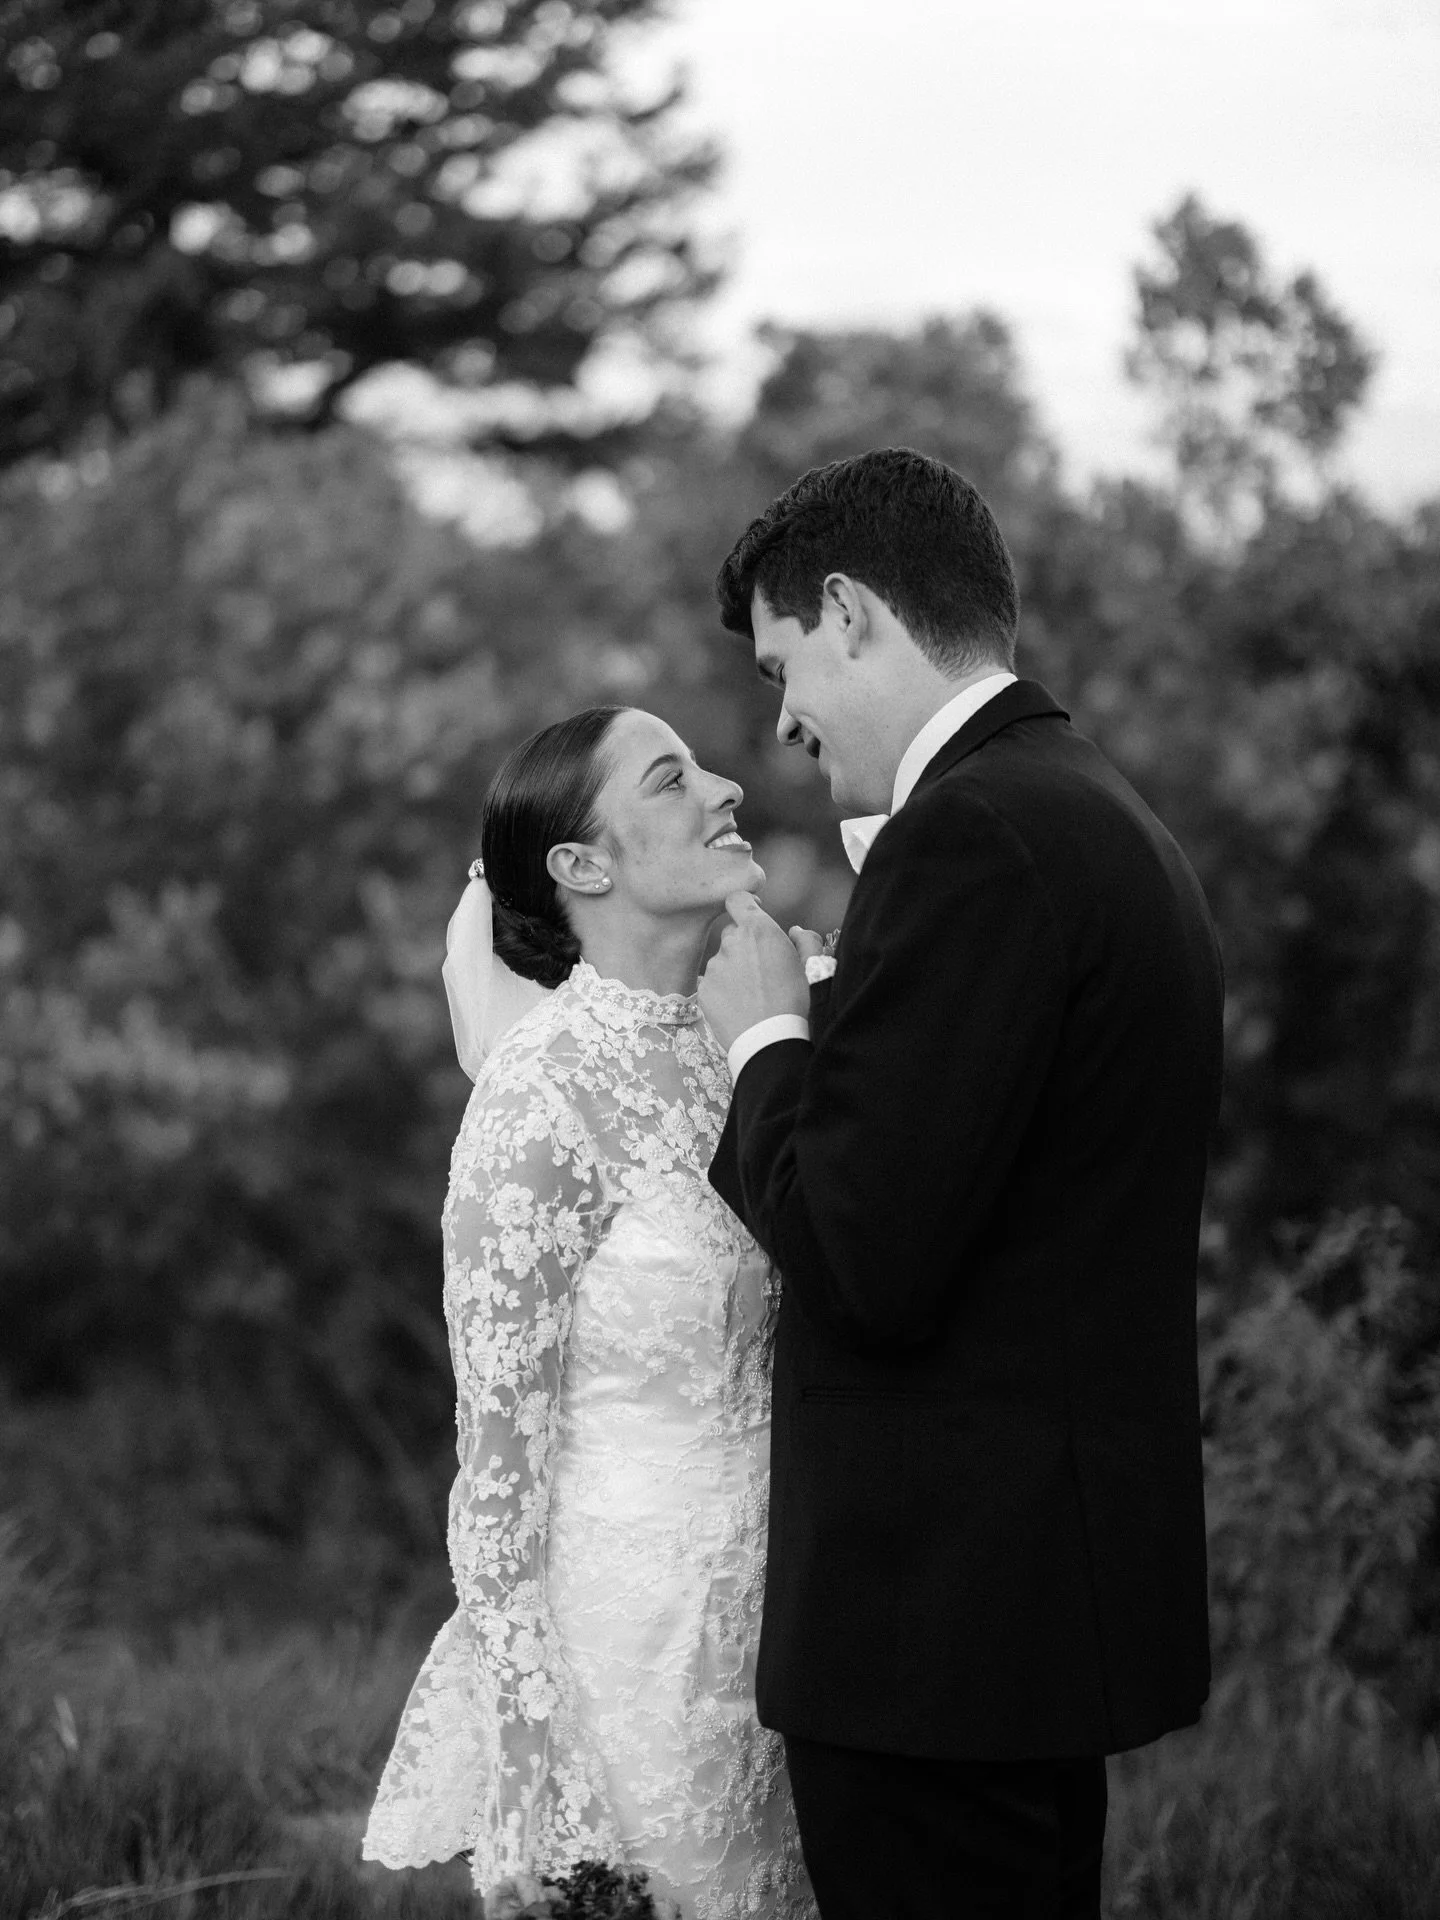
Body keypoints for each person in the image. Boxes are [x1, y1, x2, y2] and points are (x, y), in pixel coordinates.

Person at [698, 447, 1225, 1920]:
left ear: (854, 611)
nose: (784, 720)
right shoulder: (1097, 814)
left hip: (934, 1633)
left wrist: (764, 1041)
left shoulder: (973, 838)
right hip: (1029, 1616)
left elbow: (864, 1253)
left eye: (782, 662)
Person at [362, 706, 815, 1920]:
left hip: (793, 1640)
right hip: (633, 1657)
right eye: (673, 780)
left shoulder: (767, 1036)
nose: (725, 786)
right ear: (583, 865)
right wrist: (531, 1745)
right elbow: (498, 1466)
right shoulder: (541, 1093)